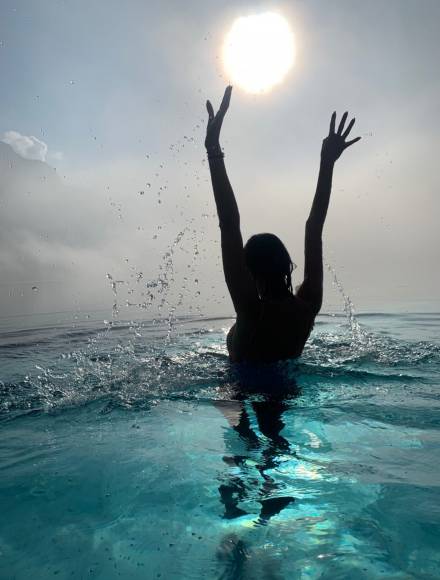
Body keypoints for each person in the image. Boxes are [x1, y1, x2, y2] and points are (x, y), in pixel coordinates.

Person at [205, 86, 360, 363]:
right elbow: (314, 227)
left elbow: (229, 224)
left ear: (250, 272)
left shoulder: (251, 310)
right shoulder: (308, 307)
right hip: (290, 391)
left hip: (239, 391)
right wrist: (327, 162)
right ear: (286, 265)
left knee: (233, 401)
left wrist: (213, 149)